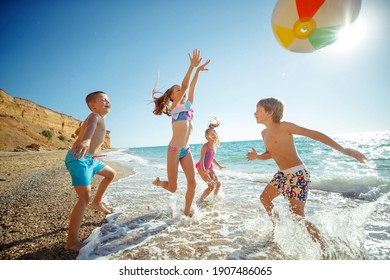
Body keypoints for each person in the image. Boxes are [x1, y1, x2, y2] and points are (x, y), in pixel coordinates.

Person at [246, 97, 367, 250]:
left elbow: (314, 134)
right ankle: (277, 227)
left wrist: (344, 150)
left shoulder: (285, 127)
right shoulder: (264, 133)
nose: (254, 113)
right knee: (265, 198)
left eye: (258, 110)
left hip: (298, 174)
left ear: (270, 112)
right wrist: (257, 157)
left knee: (297, 216)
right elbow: (271, 153)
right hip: (282, 174)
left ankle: (324, 248)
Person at [152, 49, 210, 217]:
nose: (180, 91)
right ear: (172, 97)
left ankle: (186, 212)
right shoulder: (174, 107)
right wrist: (191, 67)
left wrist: (198, 71)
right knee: (173, 187)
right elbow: (185, 86)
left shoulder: (188, 106)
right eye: (176, 90)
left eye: (179, 90)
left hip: (186, 150)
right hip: (174, 150)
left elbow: (191, 87)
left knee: (192, 183)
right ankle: (159, 182)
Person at [64, 91, 117, 252]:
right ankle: (71, 241)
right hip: (79, 158)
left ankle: (97, 202)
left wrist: (78, 131)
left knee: (111, 174)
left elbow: (83, 128)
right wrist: (86, 140)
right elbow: (91, 127)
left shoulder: (95, 118)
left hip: (92, 160)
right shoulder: (95, 116)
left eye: (108, 99)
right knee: (84, 196)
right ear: (93, 105)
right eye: (103, 100)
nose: (107, 102)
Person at [196, 117, 225, 202]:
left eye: (215, 133)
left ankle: (214, 199)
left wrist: (219, 166)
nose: (214, 135)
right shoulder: (205, 146)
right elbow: (201, 159)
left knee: (218, 184)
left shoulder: (214, 146)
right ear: (206, 137)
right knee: (211, 186)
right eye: (212, 134)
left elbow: (212, 158)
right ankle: (201, 200)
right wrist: (204, 170)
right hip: (202, 168)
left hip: (209, 167)